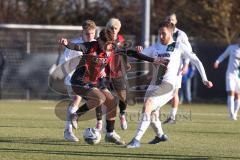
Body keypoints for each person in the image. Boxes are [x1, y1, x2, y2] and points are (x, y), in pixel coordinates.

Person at [59, 28, 158, 145]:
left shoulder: (113, 48)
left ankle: (110, 134)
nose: (107, 47)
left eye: (110, 44)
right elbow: (77, 46)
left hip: (94, 82)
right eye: (104, 44)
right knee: (100, 99)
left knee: (112, 101)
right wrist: (67, 44)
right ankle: (76, 115)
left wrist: (153, 60)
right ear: (99, 40)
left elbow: (130, 52)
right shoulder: (91, 46)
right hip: (79, 82)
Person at [126, 21, 213, 148]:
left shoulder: (179, 46)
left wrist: (205, 79)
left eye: (163, 34)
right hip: (154, 84)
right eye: (159, 33)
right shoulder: (155, 47)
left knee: (148, 105)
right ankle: (160, 135)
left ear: (171, 33)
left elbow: (196, 61)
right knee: (152, 113)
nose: (161, 36)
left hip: (169, 85)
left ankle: (136, 140)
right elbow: (136, 56)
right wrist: (137, 51)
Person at [62, 20, 96, 142]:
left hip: (88, 80)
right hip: (73, 78)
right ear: (82, 32)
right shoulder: (74, 44)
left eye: (92, 33)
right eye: (87, 33)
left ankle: (103, 129)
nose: (90, 36)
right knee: (76, 99)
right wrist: (69, 76)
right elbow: (65, 63)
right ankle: (68, 131)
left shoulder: (96, 45)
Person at [94, 18, 129, 131]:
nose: (113, 30)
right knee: (100, 97)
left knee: (123, 96)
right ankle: (99, 121)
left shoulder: (121, 40)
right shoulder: (100, 39)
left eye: (116, 28)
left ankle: (122, 114)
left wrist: (126, 63)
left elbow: (123, 54)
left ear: (119, 29)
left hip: (117, 72)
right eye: (111, 28)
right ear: (107, 28)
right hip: (103, 73)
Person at [163, 13, 192, 124]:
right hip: (164, 66)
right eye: (168, 19)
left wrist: (186, 65)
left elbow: (189, 51)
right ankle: (154, 113)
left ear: (176, 22)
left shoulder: (180, 34)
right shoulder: (163, 32)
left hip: (176, 67)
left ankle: (172, 117)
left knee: (174, 92)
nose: (170, 21)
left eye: (172, 19)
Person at [213, 34, 240, 120]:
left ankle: (235, 113)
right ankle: (231, 114)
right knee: (230, 92)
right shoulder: (232, 48)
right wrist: (217, 61)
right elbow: (223, 55)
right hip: (230, 74)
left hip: (238, 76)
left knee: (238, 95)